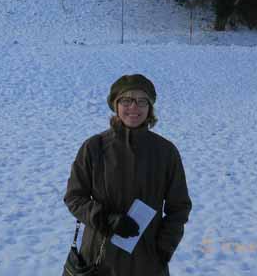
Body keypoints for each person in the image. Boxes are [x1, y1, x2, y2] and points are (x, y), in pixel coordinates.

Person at [64, 74, 192, 276]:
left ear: (150, 108)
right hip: (98, 260)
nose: (134, 107)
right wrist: (107, 220)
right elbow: (74, 197)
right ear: (115, 105)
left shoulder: (166, 152)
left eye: (142, 101)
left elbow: (179, 207)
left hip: (147, 263)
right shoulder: (94, 147)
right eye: (126, 100)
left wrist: (163, 249)